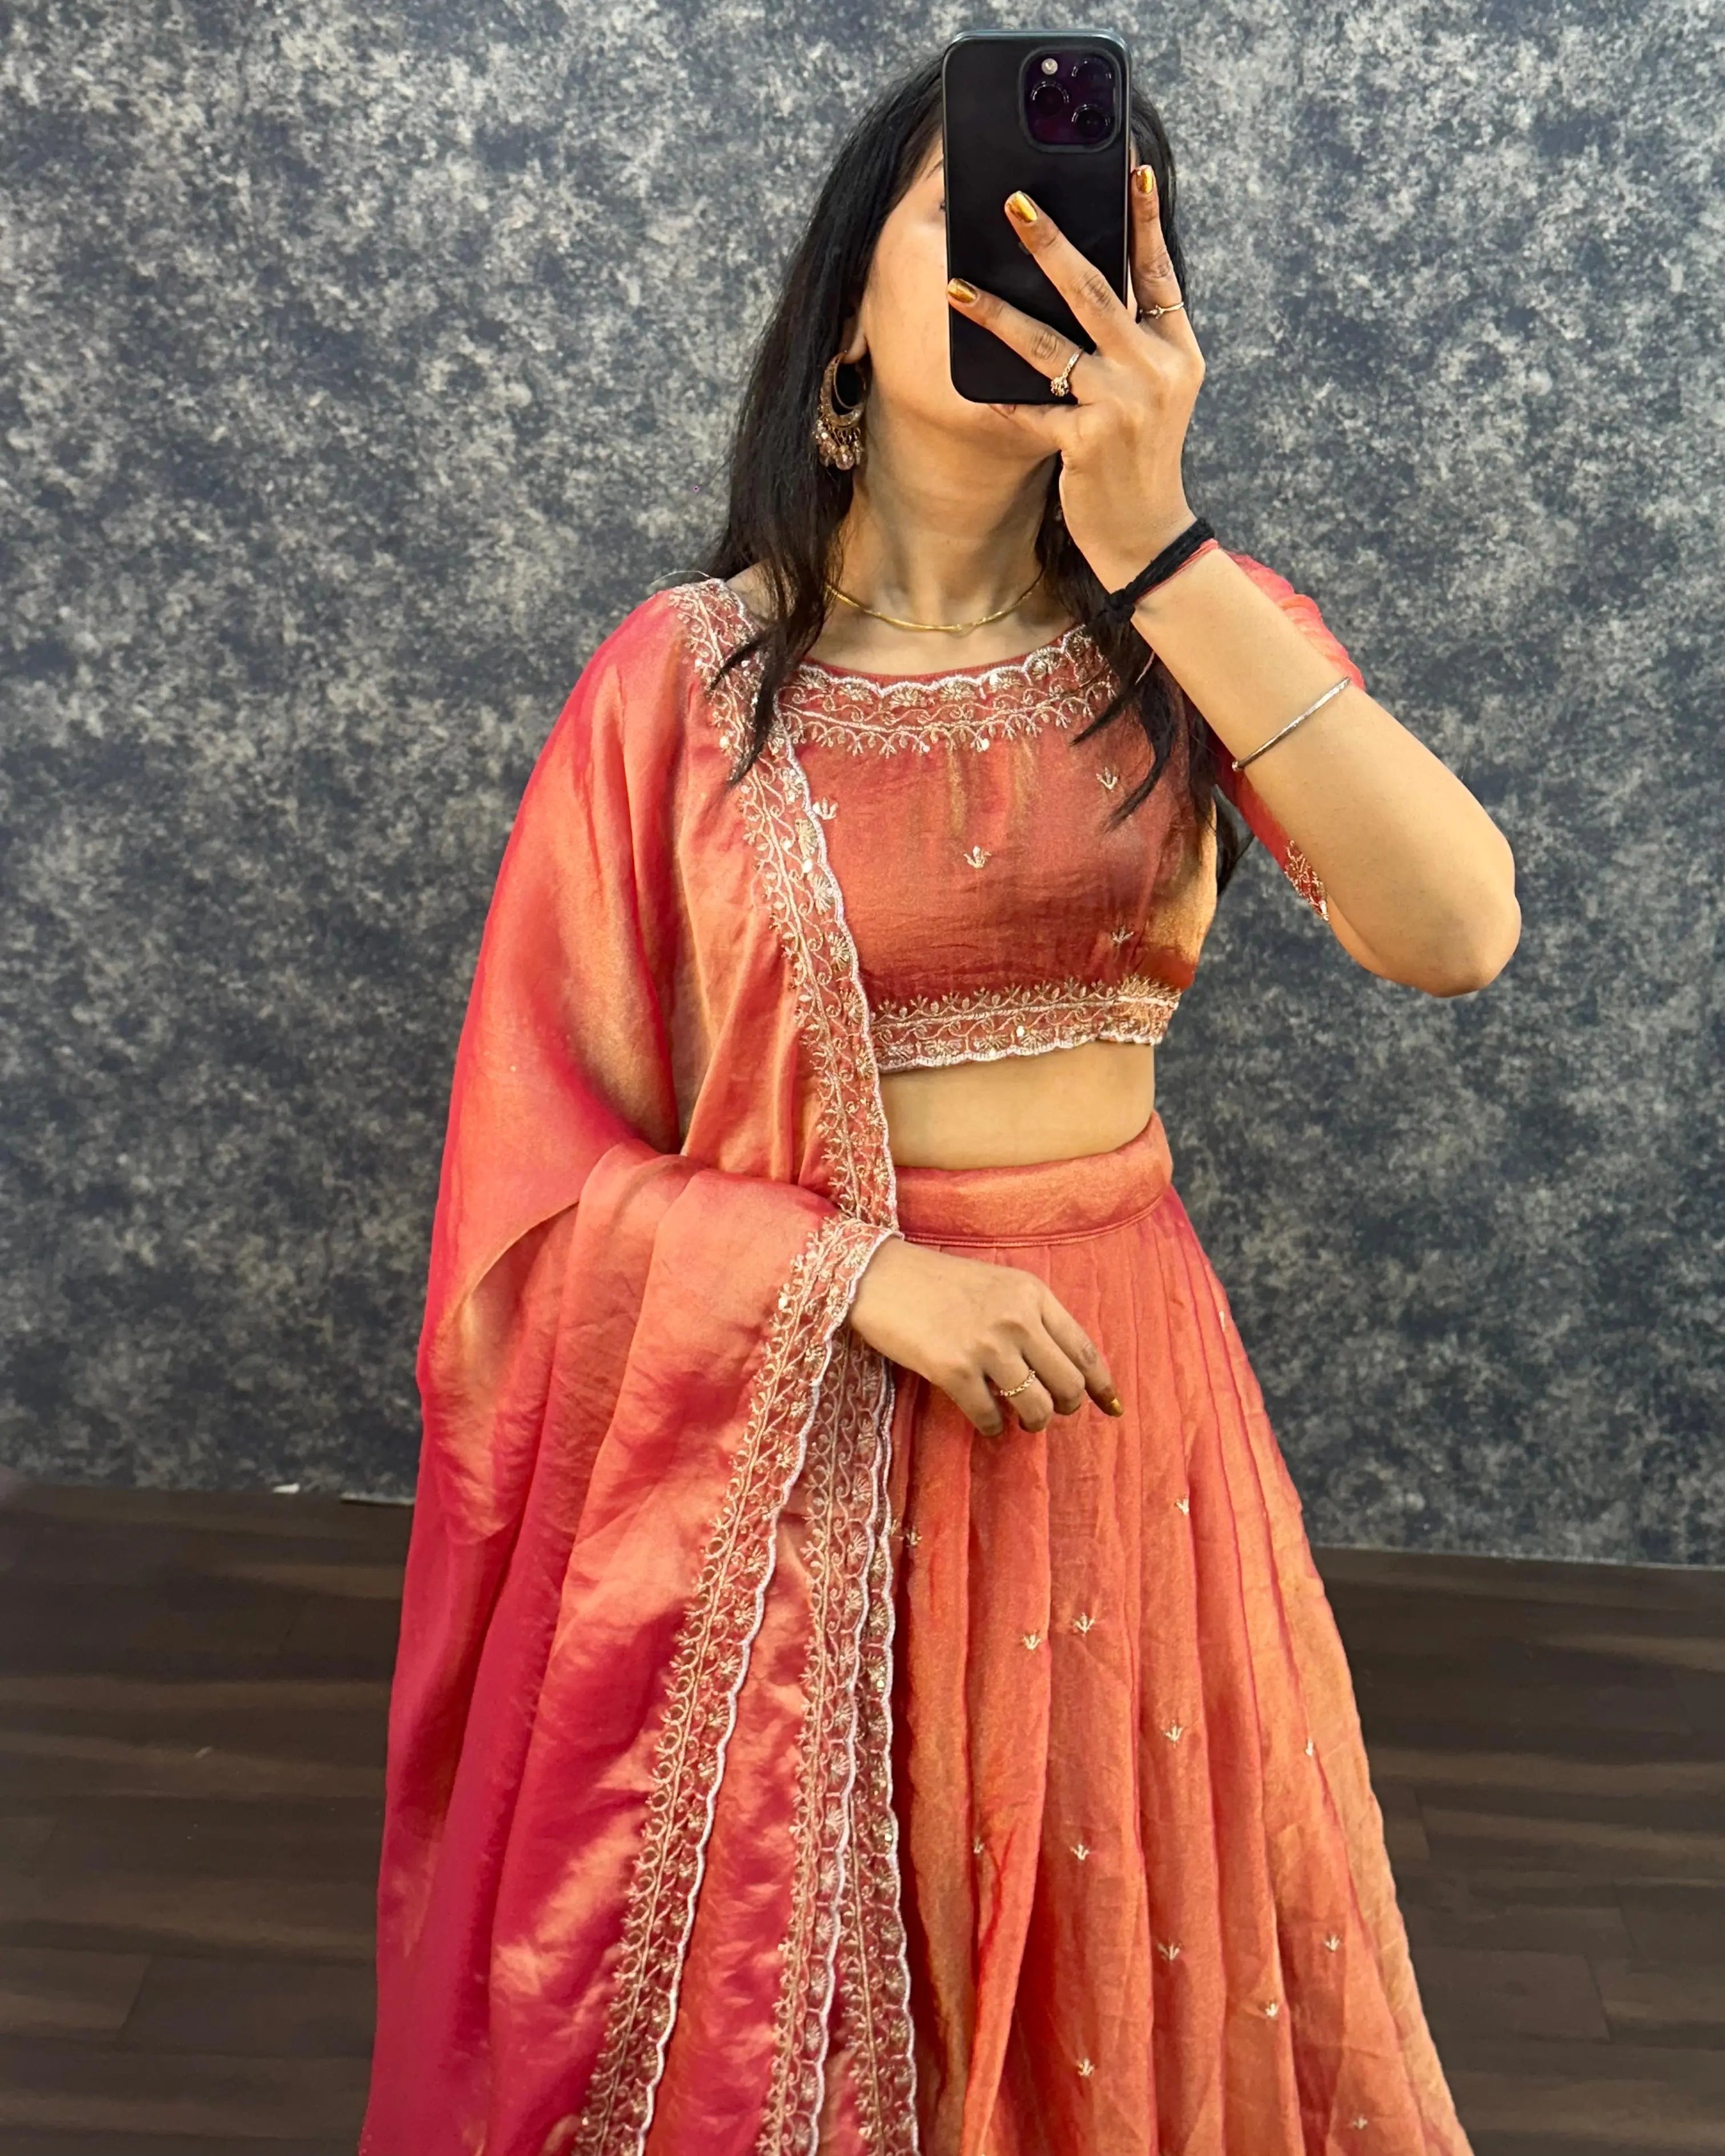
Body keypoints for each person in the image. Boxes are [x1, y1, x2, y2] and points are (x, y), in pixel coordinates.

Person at [361, 48, 1516, 2156]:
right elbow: (534, 1191)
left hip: (1108, 1411)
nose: (1037, 262)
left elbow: (1455, 927)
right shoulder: (681, 685)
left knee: (1111, 1941)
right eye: (979, 219)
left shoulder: (1194, 633)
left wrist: (1160, 548)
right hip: (796, 1435)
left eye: (1096, 241)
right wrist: (853, 1279)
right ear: (844, 331)